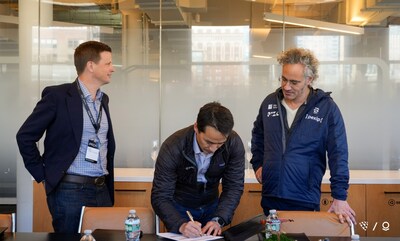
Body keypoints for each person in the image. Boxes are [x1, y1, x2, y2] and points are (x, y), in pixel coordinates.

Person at [16, 40, 116, 233]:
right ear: (91, 65)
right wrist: (43, 174)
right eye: (108, 63)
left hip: (102, 189)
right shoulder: (58, 96)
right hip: (70, 191)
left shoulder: (103, 100)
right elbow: (25, 136)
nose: (113, 69)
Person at [250, 47, 356, 226]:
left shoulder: (326, 108)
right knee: (273, 239)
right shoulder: (270, 102)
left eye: (294, 82)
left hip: (304, 197)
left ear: (309, 79)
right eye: (283, 79)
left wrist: (339, 196)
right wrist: (258, 163)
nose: (286, 86)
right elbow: (258, 135)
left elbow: (338, 153)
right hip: (271, 196)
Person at [151, 102, 245, 238]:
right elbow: (160, 196)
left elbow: (233, 187)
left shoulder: (233, 143)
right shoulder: (173, 146)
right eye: (209, 142)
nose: (213, 148)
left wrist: (219, 219)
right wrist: (180, 224)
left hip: (213, 206)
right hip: (180, 207)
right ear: (196, 127)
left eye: (220, 143)